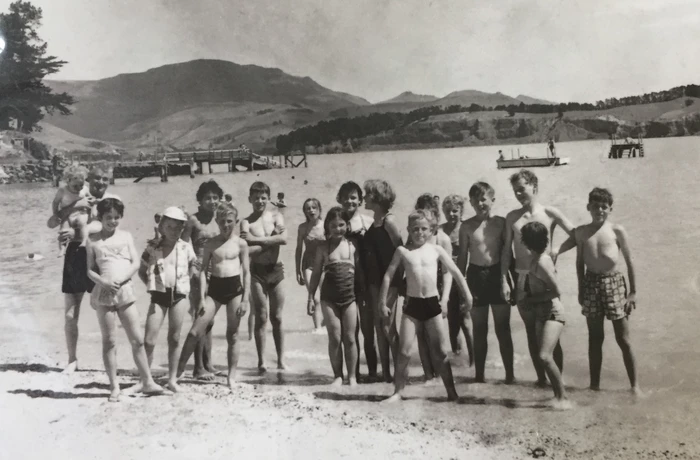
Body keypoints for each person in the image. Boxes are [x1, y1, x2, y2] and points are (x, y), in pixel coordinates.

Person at [381, 210, 473, 403]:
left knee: (440, 352)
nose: (419, 233)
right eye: (415, 229)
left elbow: (455, 272)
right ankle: (398, 392)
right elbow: (389, 275)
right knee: (404, 351)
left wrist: (468, 296)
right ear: (408, 230)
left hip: (432, 305)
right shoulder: (403, 252)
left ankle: (451, 393)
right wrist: (382, 302)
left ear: (431, 230)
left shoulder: (436, 250)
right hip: (412, 306)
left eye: (424, 229)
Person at [556, 188, 641, 395]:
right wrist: (580, 290)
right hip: (591, 284)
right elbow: (579, 265)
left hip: (614, 284)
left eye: (604, 207)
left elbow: (630, 263)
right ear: (588, 207)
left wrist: (632, 292)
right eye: (595, 206)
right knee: (595, 338)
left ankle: (635, 386)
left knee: (623, 339)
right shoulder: (582, 232)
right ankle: (595, 385)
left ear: (610, 209)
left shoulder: (617, 230)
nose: (599, 210)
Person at [501, 169, 574, 387]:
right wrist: (504, 280)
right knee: (531, 332)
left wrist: (556, 250)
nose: (518, 195)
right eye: (515, 191)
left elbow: (577, 234)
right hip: (522, 279)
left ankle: (557, 383)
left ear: (534, 186)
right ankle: (541, 380)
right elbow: (507, 251)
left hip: (544, 279)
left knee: (551, 333)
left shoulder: (549, 212)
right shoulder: (512, 217)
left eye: (521, 189)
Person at [86, 198, 163, 402]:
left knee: (137, 339)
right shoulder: (93, 240)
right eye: (108, 217)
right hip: (104, 293)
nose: (112, 221)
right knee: (110, 341)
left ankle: (147, 381)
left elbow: (136, 262)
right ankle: (114, 386)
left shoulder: (126, 236)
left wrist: (121, 279)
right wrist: (103, 281)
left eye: (116, 217)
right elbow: (88, 270)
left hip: (125, 289)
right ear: (100, 217)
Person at [52, 163, 118, 373]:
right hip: (75, 255)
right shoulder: (77, 195)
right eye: (96, 178)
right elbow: (52, 222)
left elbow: (103, 225)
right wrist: (73, 208)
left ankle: (113, 360)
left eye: (104, 179)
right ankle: (72, 359)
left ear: (109, 180)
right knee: (71, 313)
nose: (100, 182)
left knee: (107, 311)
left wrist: (78, 233)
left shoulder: (113, 201)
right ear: (88, 180)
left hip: (102, 258)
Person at [178, 202, 250, 389]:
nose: (226, 225)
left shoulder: (241, 244)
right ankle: (177, 372)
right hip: (215, 290)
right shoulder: (211, 243)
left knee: (232, 335)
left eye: (230, 221)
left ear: (236, 221)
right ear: (216, 221)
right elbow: (202, 271)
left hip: (235, 289)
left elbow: (247, 273)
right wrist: (201, 298)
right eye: (222, 222)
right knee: (195, 331)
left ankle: (231, 377)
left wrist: (245, 300)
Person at [458, 183, 514, 383]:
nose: (481, 203)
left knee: (503, 328)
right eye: (476, 200)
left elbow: (508, 253)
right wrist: (461, 285)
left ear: (493, 200)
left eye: (484, 199)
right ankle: (479, 376)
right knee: (479, 329)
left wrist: (505, 280)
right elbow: (463, 257)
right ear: (471, 202)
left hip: (497, 274)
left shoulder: (501, 222)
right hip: (475, 277)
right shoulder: (466, 226)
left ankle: (510, 376)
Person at [141, 207, 197, 393]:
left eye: (178, 228)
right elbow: (141, 270)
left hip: (179, 296)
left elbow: (193, 268)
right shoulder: (153, 247)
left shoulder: (186, 247)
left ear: (182, 229)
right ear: (162, 227)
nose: (174, 231)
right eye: (170, 227)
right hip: (158, 296)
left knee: (174, 338)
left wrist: (188, 285)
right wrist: (151, 284)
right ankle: (146, 380)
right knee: (149, 340)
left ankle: (172, 379)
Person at [519, 222, 571, 410]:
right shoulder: (540, 258)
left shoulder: (541, 261)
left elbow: (556, 291)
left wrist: (531, 301)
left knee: (544, 356)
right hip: (542, 313)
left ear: (525, 242)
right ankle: (557, 396)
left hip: (553, 313)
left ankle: (563, 397)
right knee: (546, 356)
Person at [307, 207, 360, 386]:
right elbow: (315, 274)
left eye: (341, 225)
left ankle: (352, 376)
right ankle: (338, 375)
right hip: (328, 298)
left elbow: (360, 274)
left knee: (351, 338)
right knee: (335, 337)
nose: (338, 229)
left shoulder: (352, 245)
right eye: (333, 225)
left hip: (350, 297)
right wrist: (310, 297)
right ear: (327, 227)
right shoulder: (323, 247)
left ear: (347, 225)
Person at [240, 181, 287, 372]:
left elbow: (283, 239)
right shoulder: (245, 222)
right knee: (261, 317)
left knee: (277, 317)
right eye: (256, 198)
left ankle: (281, 360)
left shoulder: (277, 216)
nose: (260, 201)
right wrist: (270, 241)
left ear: (268, 199)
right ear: (250, 199)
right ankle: (261, 361)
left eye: (263, 198)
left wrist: (256, 240)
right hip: (257, 273)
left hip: (276, 271)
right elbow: (245, 250)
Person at [181, 180, 223, 380]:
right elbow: (183, 245)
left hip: (217, 271)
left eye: (215, 197)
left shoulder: (218, 219)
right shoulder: (193, 220)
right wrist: (191, 269)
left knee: (210, 321)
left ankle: (208, 363)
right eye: (208, 198)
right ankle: (198, 367)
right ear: (200, 200)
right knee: (200, 317)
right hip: (198, 272)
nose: (212, 201)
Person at [363, 179, 403, 382]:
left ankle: (400, 373)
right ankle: (386, 373)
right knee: (380, 328)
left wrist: (399, 280)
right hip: (374, 280)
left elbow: (401, 249)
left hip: (389, 281)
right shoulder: (375, 221)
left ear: (377, 198)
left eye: (367, 194)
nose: (364, 197)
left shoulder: (389, 221)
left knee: (387, 326)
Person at [336, 181, 377, 380]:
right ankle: (354, 373)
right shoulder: (335, 223)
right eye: (345, 197)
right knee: (350, 332)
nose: (349, 201)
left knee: (369, 332)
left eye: (353, 197)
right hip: (345, 284)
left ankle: (373, 372)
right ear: (338, 199)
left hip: (366, 281)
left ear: (360, 200)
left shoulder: (368, 222)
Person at [295, 198, 325, 333]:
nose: (311, 210)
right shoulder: (302, 228)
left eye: (314, 207)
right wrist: (297, 271)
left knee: (326, 297)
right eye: (308, 208)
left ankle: (326, 325)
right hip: (308, 265)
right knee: (314, 297)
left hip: (325, 265)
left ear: (319, 209)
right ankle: (317, 329)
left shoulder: (326, 225)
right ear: (304, 211)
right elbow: (298, 249)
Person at [48, 164, 93, 255]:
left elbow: (90, 200)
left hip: (81, 213)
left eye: (81, 185)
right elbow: (55, 203)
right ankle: (62, 249)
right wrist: (55, 214)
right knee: (63, 231)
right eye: (75, 186)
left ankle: (84, 241)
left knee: (82, 223)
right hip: (67, 216)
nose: (78, 188)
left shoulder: (84, 189)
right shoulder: (62, 191)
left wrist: (90, 210)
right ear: (68, 181)